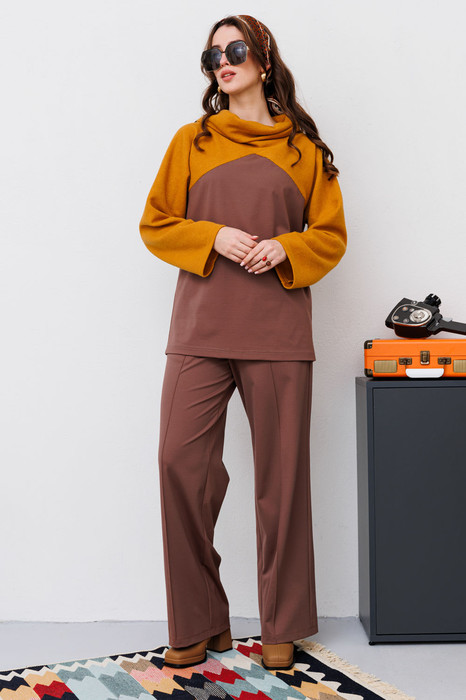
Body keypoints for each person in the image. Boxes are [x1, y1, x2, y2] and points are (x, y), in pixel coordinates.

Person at [139, 14, 347, 672]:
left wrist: (287, 248)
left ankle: (283, 623)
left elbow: (331, 237)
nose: (222, 63)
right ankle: (200, 620)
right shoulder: (191, 142)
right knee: (179, 463)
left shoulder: (304, 151)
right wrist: (212, 236)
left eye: (233, 51)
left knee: (282, 482)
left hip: (278, 332)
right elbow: (155, 223)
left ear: (263, 58)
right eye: (211, 57)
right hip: (200, 328)